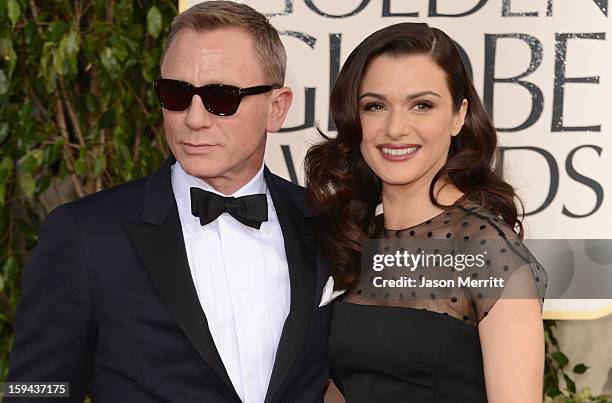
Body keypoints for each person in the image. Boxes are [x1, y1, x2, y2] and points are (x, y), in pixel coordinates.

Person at [7, 2, 331, 402]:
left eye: (221, 97)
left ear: (277, 108)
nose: (193, 119)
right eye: (176, 93)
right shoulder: (85, 235)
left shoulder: (326, 225)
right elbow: (35, 392)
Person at [305, 22, 547, 402]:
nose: (396, 128)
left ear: (458, 115)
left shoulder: (489, 254)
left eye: (422, 105)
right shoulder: (353, 237)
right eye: (375, 106)